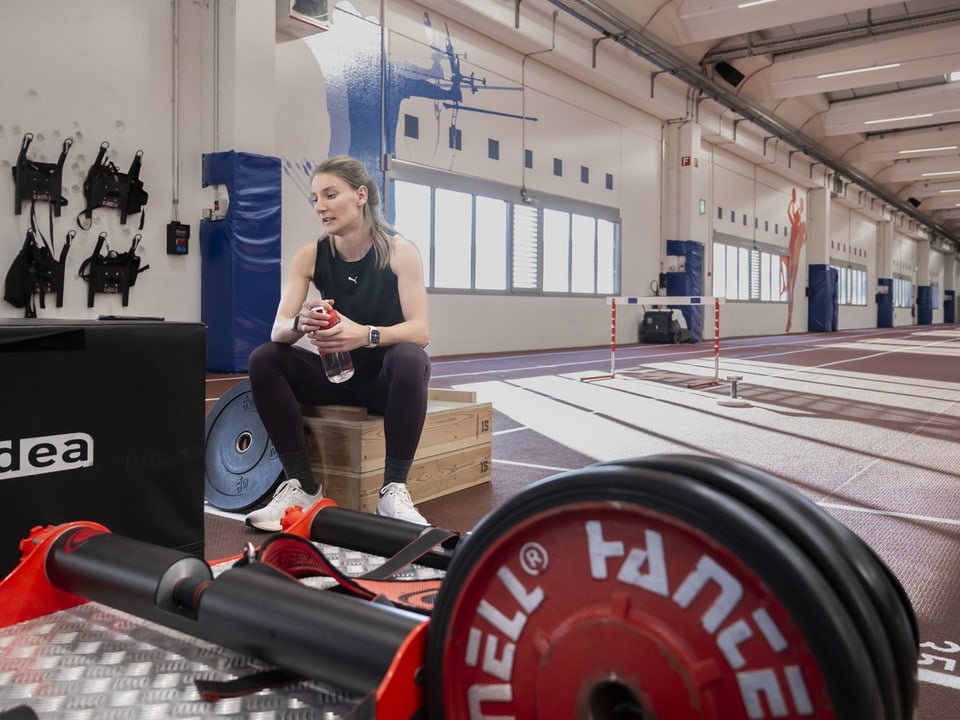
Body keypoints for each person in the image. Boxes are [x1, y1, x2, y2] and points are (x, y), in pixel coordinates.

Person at [244, 155, 432, 531]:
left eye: (330, 195)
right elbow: (277, 330)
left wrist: (365, 334)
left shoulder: (400, 251)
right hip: (335, 376)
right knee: (265, 358)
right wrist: (301, 321)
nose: (320, 207)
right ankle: (302, 485)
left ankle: (393, 490)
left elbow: (421, 331)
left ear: (360, 195)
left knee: (411, 359)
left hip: (383, 383)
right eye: (315, 198)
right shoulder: (310, 254)